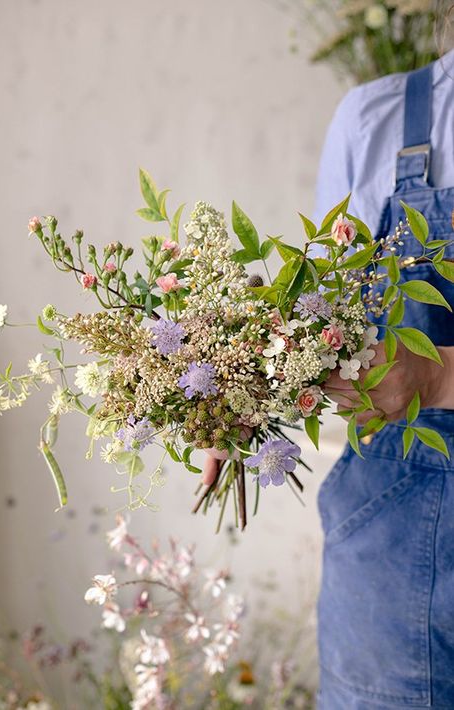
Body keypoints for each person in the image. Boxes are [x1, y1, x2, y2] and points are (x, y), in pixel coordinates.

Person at [203, 38, 454, 710]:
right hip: (389, 579)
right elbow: (324, 322)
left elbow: (414, 373)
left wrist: (437, 378)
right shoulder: (377, 119)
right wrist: (245, 385)